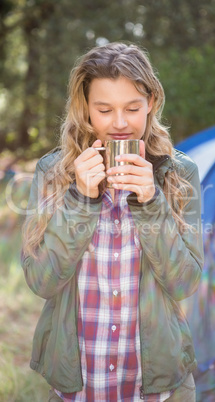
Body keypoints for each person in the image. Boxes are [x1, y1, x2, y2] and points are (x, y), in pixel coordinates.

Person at [21, 42, 204, 402]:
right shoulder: (53, 172)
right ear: (85, 109)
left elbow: (185, 282)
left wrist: (151, 202)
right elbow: (41, 280)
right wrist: (80, 199)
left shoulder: (179, 174)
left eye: (133, 108)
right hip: (79, 387)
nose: (120, 123)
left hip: (158, 390)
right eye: (104, 109)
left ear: (151, 102)